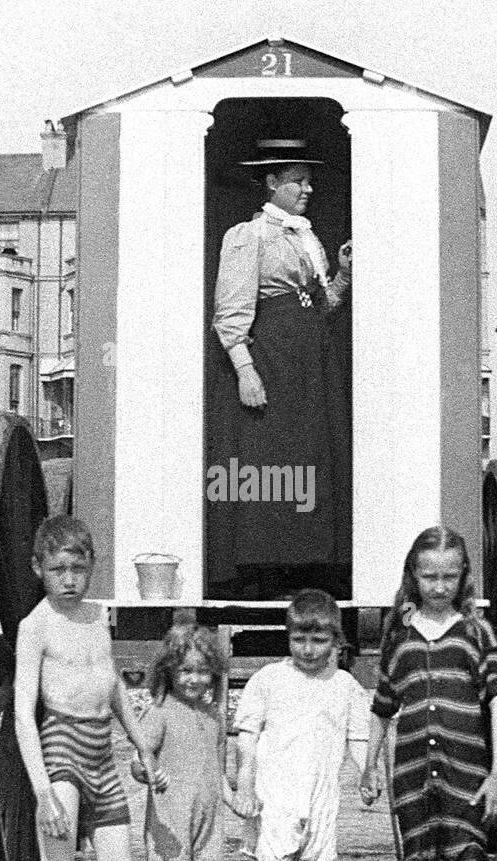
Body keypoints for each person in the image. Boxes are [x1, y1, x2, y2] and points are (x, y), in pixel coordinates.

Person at [208, 137, 353, 600]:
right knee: (272, 463)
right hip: (273, 362)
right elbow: (230, 312)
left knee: (311, 458)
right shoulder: (249, 235)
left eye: (309, 181)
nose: (307, 189)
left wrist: (344, 274)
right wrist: (246, 372)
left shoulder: (305, 236)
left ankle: (307, 571)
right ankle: (263, 572)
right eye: (297, 181)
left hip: (312, 366)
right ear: (272, 183)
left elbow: (321, 304)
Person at [13, 515, 168, 861]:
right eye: (58, 570)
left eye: (78, 570)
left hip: (102, 753)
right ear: (38, 568)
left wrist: (142, 745)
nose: (68, 580)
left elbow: (111, 684)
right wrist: (43, 792)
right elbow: (23, 713)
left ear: (92, 568)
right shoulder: (35, 626)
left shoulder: (98, 617)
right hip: (61, 748)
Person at [359, 526, 497, 861]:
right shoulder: (399, 637)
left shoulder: (477, 634)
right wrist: (369, 766)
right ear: (413, 575)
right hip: (411, 784)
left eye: (449, 577)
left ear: (463, 576)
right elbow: (382, 708)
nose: (439, 586)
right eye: (429, 577)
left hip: (467, 782)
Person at [233, 588, 371, 861]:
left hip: (321, 797)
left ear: (336, 640)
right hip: (276, 796)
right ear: (288, 637)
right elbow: (246, 739)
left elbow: (358, 738)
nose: (308, 649)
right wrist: (245, 784)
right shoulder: (268, 679)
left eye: (319, 639)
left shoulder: (345, 685)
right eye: (299, 639)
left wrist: (369, 774)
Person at [130, 623, 235, 861]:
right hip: (169, 830)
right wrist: (146, 772)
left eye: (203, 671)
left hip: (209, 826)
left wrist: (236, 800)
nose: (195, 679)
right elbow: (138, 758)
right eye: (186, 670)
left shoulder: (214, 715)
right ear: (169, 671)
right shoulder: (159, 711)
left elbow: (217, 771)